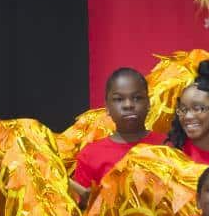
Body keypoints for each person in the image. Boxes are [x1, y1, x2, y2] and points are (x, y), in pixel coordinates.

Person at [70, 67, 165, 202]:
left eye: (137, 98)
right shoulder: (90, 155)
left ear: (148, 103)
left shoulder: (167, 145)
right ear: (107, 107)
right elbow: (81, 207)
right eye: (119, 99)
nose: (128, 105)